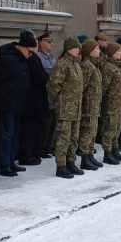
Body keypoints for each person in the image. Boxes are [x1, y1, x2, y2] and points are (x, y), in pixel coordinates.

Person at [0, 30, 34, 177]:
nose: (31, 55)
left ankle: (10, 161)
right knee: (6, 135)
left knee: (14, 134)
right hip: (7, 105)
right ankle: (3, 165)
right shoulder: (7, 60)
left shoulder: (22, 59)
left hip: (18, 105)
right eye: (29, 51)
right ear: (22, 47)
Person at [47, 37, 84, 178]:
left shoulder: (76, 64)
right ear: (68, 49)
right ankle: (61, 166)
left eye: (78, 47)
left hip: (76, 108)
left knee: (74, 137)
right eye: (75, 47)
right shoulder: (62, 64)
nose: (78, 50)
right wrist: (60, 100)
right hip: (65, 108)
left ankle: (71, 162)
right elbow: (53, 85)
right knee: (64, 137)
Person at [18, 31, 48, 166]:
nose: (36, 41)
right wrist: (47, 79)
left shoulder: (33, 55)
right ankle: (26, 155)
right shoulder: (28, 56)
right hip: (31, 98)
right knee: (28, 130)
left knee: (37, 127)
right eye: (34, 39)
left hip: (38, 98)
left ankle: (35, 151)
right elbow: (37, 75)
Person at [99, 42, 121, 165]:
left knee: (117, 128)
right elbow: (104, 87)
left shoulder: (117, 66)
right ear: (112, 53)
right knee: (109, 129)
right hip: (110, 104)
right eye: (119, 51)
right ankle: (107, 153)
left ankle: (115, 149)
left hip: (118, 104)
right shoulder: (108, 68)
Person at [77, 40, 103, 170]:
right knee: (87, 131)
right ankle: (84, 158)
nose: (99, 50)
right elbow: (83, 86)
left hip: (94, 104)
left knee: (92, 131)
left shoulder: (93, 65)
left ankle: (90, 155)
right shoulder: (87, 65)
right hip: (88, 105)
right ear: (90, 51)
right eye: (97, 48)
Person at [34, 32, 57, 158]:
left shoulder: (52, 58)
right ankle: (40, 149)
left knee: (52, 125)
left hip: (53, 98)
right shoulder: (39, 58)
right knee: (44, 126)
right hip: (45, 97)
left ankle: (47, 147)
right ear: (41, 44)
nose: (51, 44)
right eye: (49, 42)